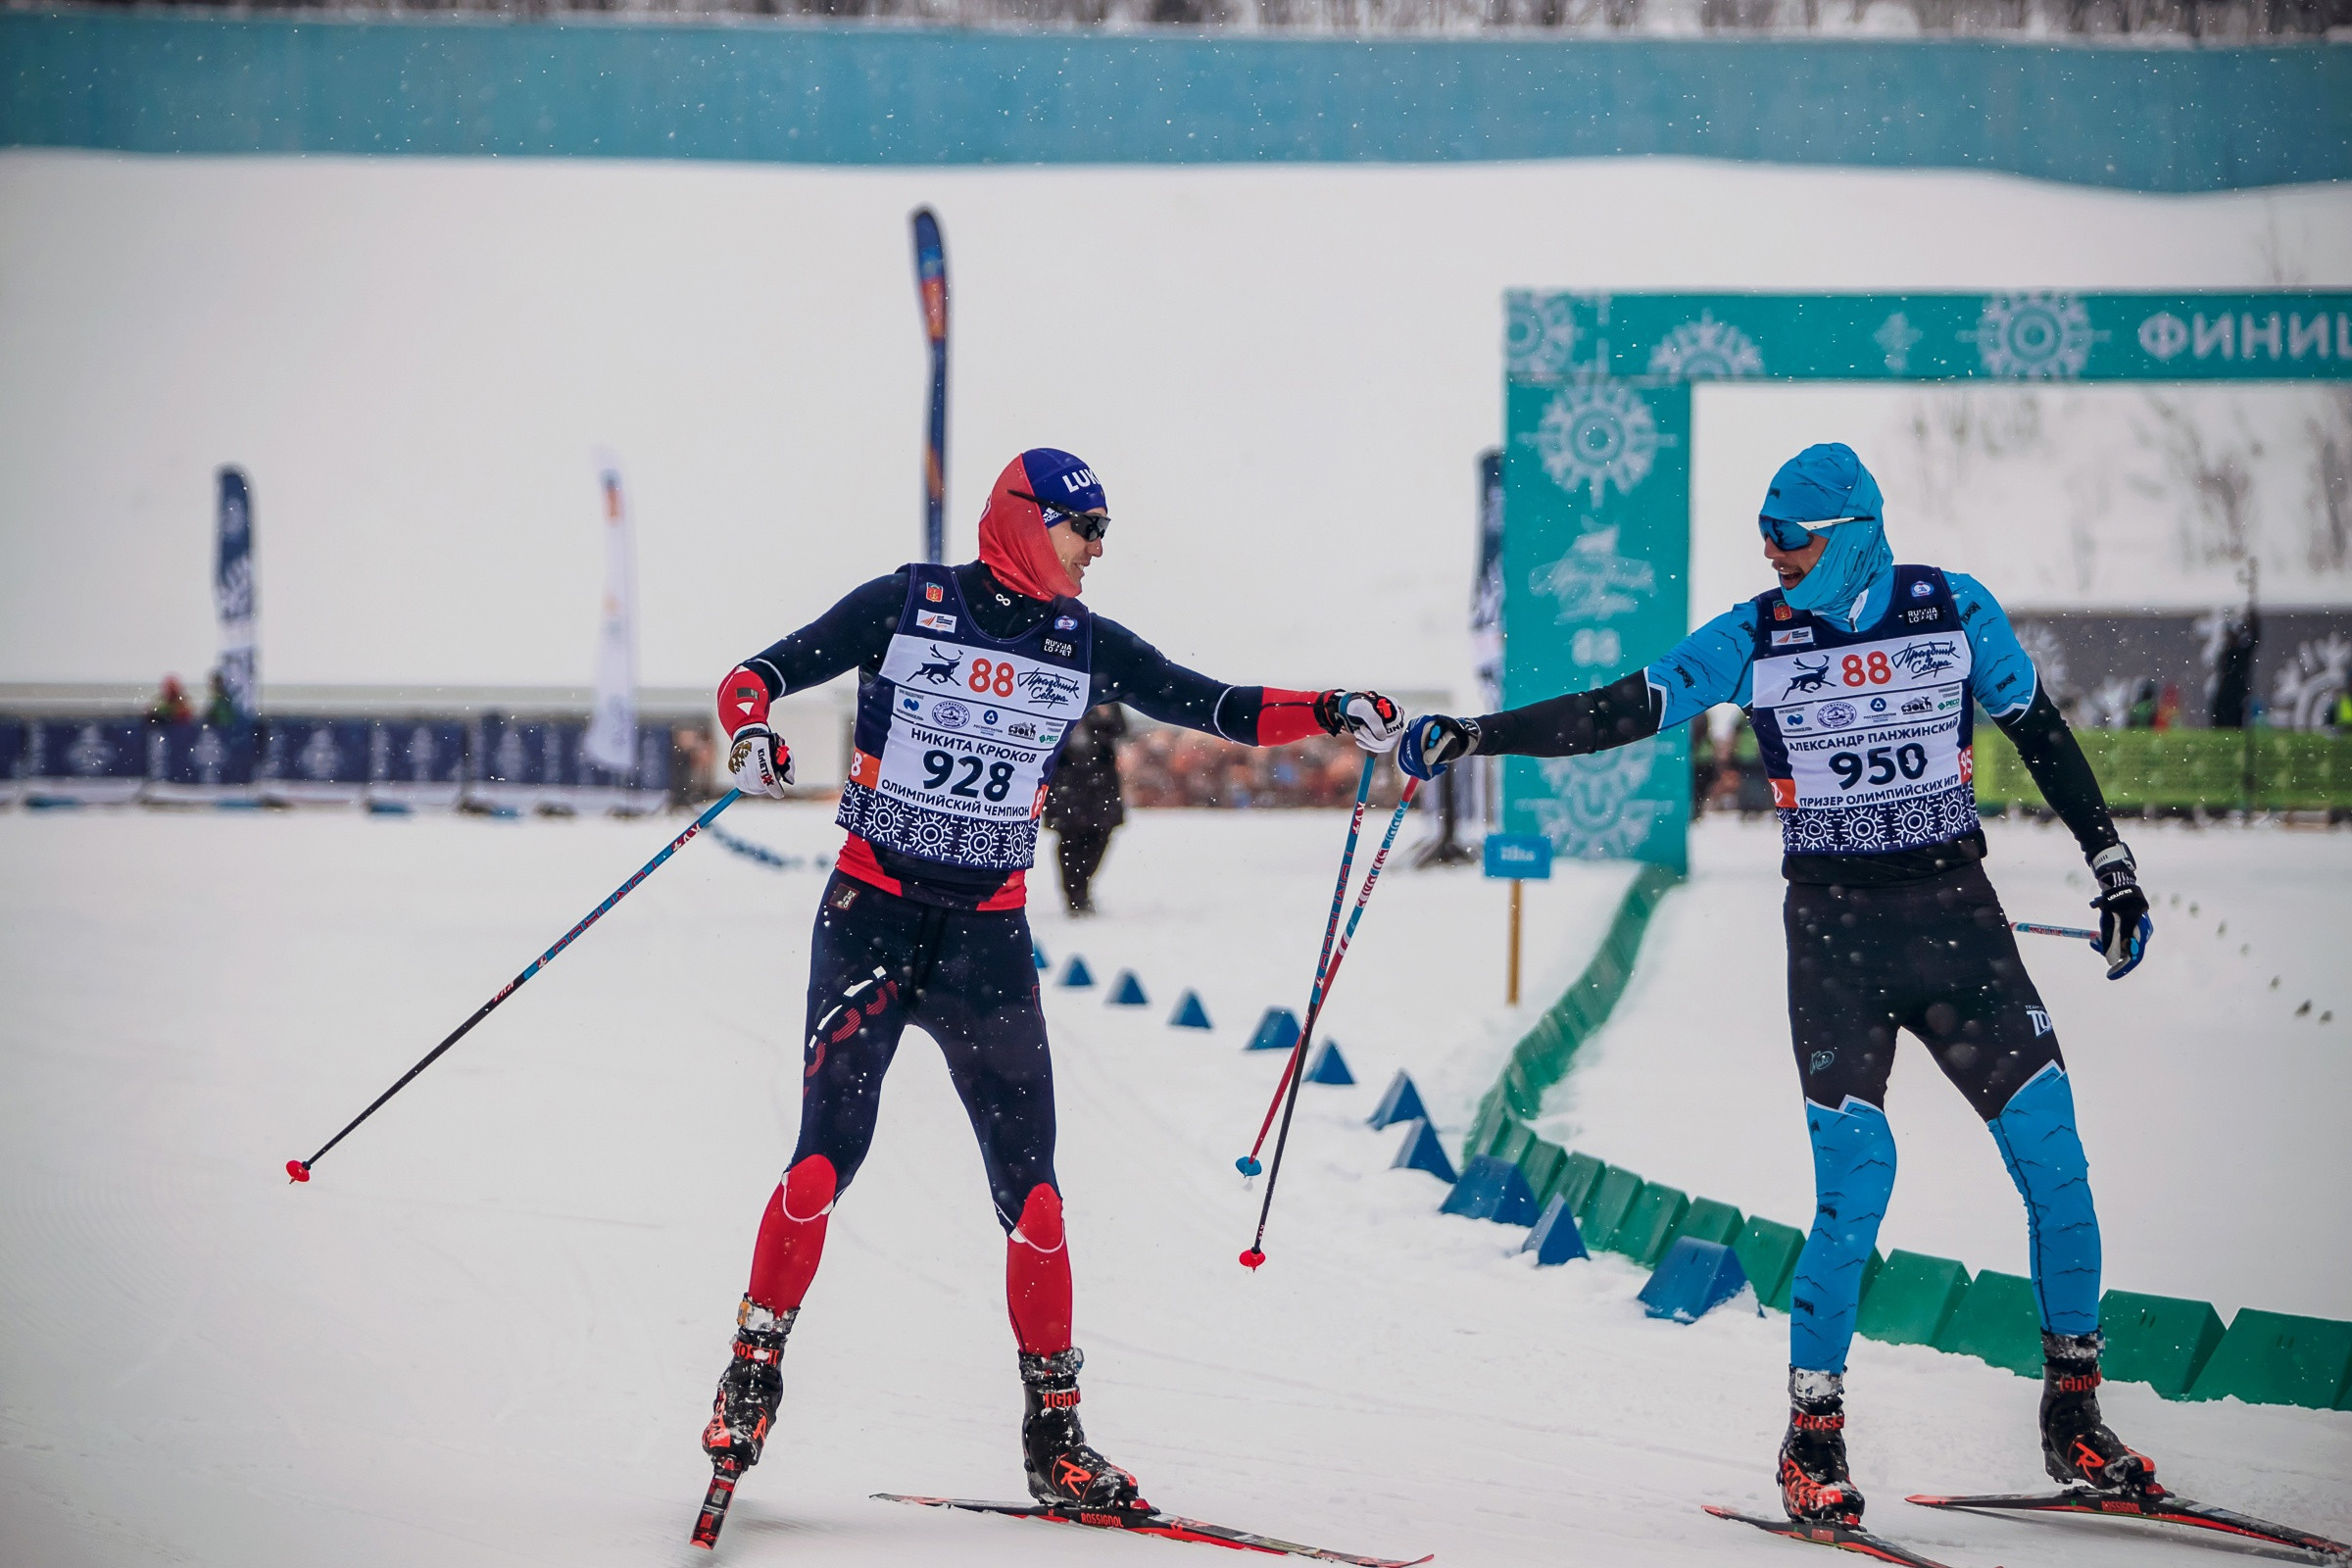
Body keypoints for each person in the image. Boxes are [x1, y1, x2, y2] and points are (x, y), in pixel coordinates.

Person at [1396, 443, 2156, 1527]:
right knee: (1859, 1184)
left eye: (1789, 537)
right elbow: (1617, 709)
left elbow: (2041, 732)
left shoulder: (1953, 607)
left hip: (1960, 929)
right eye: (1765, 534)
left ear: (1849, 535)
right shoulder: (1755, 635)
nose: (1772, 552)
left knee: (2057, 1162)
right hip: (1838, 943)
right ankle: (1812, 1437)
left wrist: (2113, 867)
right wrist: (1478, 736)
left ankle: (2074, 1416)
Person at [704, 447, 1403, 1515]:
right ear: (1028, 520)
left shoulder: (1082, 643)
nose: (1098, 552)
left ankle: (1056, 1438)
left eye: (1105, 533)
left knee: (1034, 1196)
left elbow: (1209, 702)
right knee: (820, 1164)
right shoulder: (908, 604)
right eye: (1086, 528)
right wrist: (750, 730)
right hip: (871, 922)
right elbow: (755, 677)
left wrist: (1330, 705)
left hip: (986, 945)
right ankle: (752, 1375)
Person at [1043, 702, 1128, 915]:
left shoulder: (1107, 697)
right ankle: (1074, 894)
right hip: (1066, 780)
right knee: (1070, 838)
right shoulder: (1057, 697)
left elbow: (1121, 730)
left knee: (1100, 836)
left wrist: (1104, 717)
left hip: (1100, 783)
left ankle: (1083, 886)